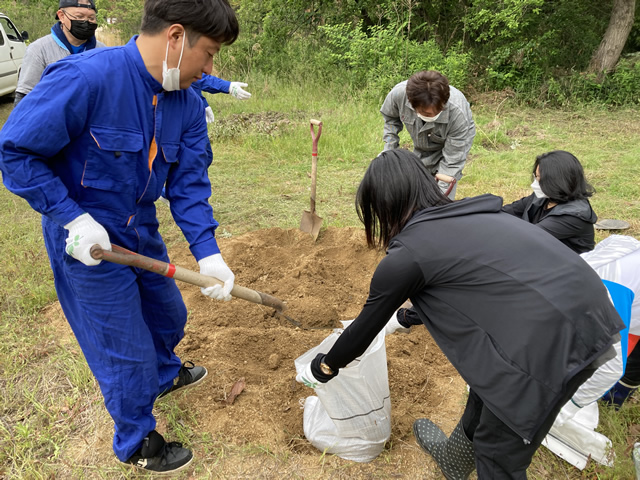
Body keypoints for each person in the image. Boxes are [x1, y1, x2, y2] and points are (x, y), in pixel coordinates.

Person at [0, 0, 239, 473]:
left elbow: (188, 185)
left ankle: (164, 374)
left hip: (139, 229)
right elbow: (16, 152)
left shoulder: (188, 105)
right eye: (209, 54)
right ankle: (135, 441)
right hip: (85, 241)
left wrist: (209, 254)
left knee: (169, 316)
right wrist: (70, 217)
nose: (211, 69)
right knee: (123, 348)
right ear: (175, 37)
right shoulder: (85, 79)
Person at [296, 149, 623, 479]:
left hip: (551, 341)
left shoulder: (407, 255)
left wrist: (324, 366)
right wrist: (405, 319)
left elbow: (364, 328)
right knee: (486, 384)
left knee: (498, 454)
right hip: (589, 309)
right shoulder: (472, 214)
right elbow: (469, 284)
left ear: (383, 205)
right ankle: (454, 458)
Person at [380, 70, 475, 199]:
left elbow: (452, 162)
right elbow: (390, 118)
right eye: (426, 113)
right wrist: (389, 150)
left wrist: (438, 201)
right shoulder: (399, 95)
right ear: (411, 103)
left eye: (434, 113)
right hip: (421, 145)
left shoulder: (458, 114)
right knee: (415, 187)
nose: (431, 115)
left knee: (440, 199)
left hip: (451, 142)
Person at [502, 150, 597, 254]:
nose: (535, 183)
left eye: (539, 178)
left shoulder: (572, 216)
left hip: (567, 266)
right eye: (536, 176)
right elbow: (505, 211)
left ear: (556, 181)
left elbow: (528, 238)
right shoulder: (544, 198)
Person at [13, 0, 105, 105]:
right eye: (79, 17)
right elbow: (24, 97)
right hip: (52, 118)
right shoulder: (39, 50)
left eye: (91, 18)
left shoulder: (102, 51)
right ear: (61, 16)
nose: (86, 22)